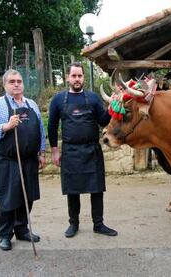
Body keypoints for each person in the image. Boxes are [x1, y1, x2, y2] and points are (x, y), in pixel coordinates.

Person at [48, 62, 117, 238]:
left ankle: (99, 224)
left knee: (97, 189)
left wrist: (113, 107)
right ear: (67, 77)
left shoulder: (93, 98)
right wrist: (55, 150)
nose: (77, 79)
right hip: (70, 151)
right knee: (72, 191)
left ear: (83, 78)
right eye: (74, 76)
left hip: (92, 150)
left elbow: (102, 121)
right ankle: (74, 224)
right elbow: (52, 126)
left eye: (80, 76)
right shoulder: (58, 100)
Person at [0, 69, 46, 251]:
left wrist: (41, 152)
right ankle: (4, 234)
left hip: (29, 160)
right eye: (12, 81)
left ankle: (21, 229)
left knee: (28, 196)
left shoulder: (31, 104)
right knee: (7, 197)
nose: (16, 84)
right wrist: (6, 126)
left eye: (19, 81)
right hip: (8, 160)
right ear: (5, 85)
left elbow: (40, 130)